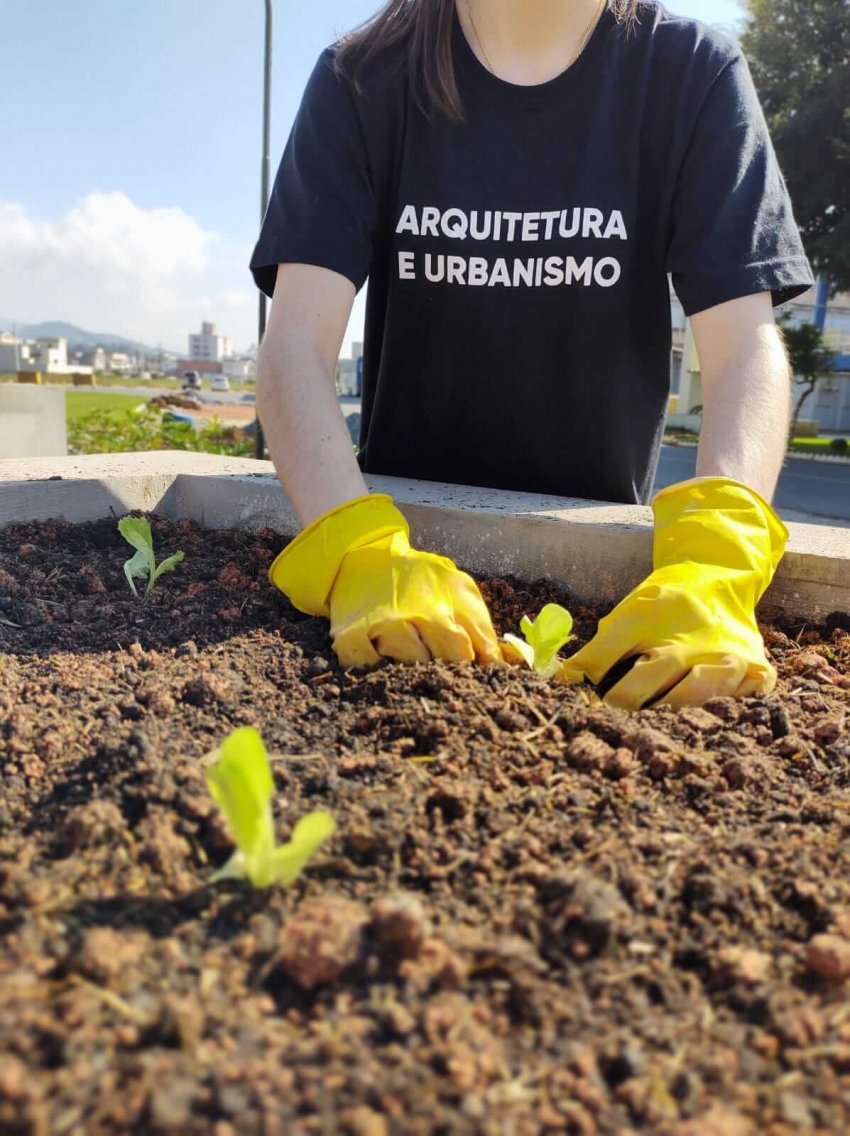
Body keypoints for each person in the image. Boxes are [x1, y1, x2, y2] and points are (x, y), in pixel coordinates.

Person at [249, 0, 814, 710]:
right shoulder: (362, 79)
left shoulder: (689, 73)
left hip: (609, 584)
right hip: (398, 572)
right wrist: (357, 553)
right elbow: (295, 345)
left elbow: (743, 349)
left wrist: (717, 560)